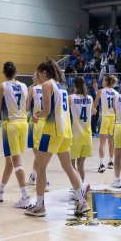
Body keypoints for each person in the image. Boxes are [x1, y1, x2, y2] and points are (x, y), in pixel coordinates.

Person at [25, 60, 90, 217]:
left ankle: (40, 206)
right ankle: (82, 203)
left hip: (52, 131)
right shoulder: (62, 86)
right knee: (68, 167)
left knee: (40, 168)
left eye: (39, 74)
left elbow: (46, 111)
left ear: (45, 73)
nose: (38, 77)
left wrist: (36, 116)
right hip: (65, 131)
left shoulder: (48, 84)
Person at [0, 62, 32, 209]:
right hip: (23, 123)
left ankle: (25, 196)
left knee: (16, 160)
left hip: (11, 125)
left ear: (3, 72)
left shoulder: (1, 86)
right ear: (16, 72)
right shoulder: (24, 86)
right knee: (10, 161)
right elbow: (26, 106)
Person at [26, 72, 49, 190]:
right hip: (46, 122)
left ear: (38, 78)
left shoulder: (32, 89)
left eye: (34, 76)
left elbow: (26, 107)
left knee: (37, 153)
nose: (32, 77)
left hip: (35, 121)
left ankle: (45, 178)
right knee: (40, 152)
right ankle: (33, 176)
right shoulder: (48, 88)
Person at [69, 77, 93, 183]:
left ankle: (77, 187)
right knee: (81, 165)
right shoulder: (90, 98)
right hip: (87, 135)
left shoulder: (71, 97)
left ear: (74, 85)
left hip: (76, 135)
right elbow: (92, 112)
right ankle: (81, 186)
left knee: (71, 165)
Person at [93, 75, 119, 173]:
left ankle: (101, 164)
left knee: (102, 142)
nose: (102, 81)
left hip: (104, 118)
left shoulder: (101, 91)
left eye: (103, 80)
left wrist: (93, 110)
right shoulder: (116, 93)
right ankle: (111, 162)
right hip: (113, 118)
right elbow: (116, 108)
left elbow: (95, 104)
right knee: (111, 142)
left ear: (106, 82)